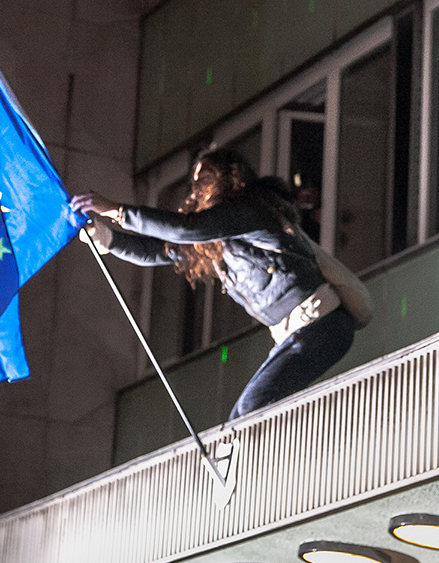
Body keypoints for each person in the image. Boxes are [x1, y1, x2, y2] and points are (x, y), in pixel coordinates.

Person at [71, 149, 371, 420]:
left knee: (250, 411)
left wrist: (117, 211)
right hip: (299, 331)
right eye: (195, 179)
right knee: (245, 412)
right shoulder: (220, 239)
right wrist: (104, 237)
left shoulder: (254, 210)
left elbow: (187, 229)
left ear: (229, 178)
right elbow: (159, 250)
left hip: (321, 324)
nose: (197, 184)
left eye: (206, 176)